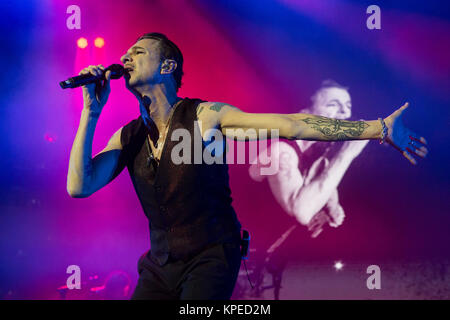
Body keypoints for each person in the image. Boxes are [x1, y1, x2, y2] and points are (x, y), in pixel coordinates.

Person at [66, 33, 428, 300]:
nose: (125, 57)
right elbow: (79, 186)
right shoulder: (128, 136)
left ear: (166, 66)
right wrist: (90, 113)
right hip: (159, 266)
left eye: (138, 52)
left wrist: (376, 129)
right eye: (126, 53)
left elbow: (292, 125)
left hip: (211, 257)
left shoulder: (206, 116)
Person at [241, 80, 368, 299]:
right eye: (333, 105)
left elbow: (324, 185)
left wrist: (330, 207)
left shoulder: (317, 154)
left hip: (258, 255)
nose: (345, 113)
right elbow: (301, 210)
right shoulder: (281, 151)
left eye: (347, 106)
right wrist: (347, 154)